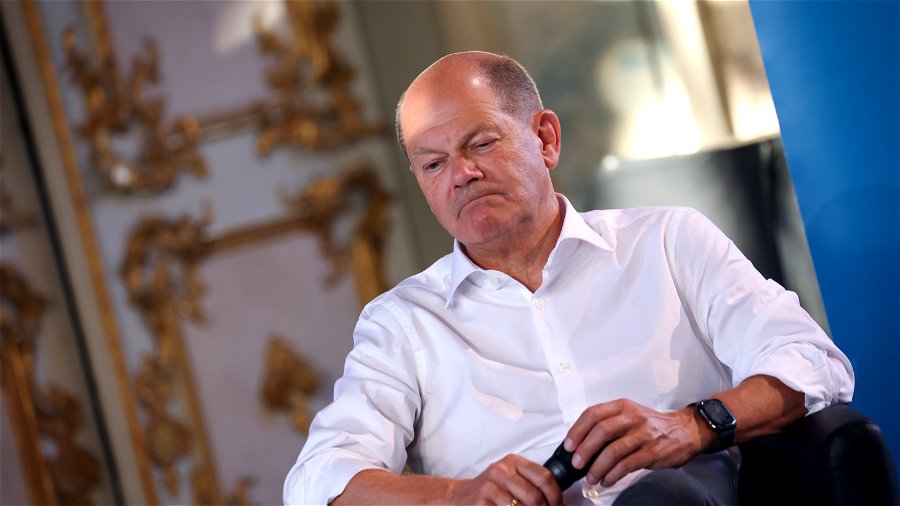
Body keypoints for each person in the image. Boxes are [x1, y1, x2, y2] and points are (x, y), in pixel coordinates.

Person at [283, 51, 854, 506]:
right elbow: (318, 477)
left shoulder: (667, 241)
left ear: (546, 138)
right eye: (434, 164)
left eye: (481, 142)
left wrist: (693, 425)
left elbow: (811, 361)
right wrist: (459, 495)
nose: (462, 173)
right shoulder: (403, 323)